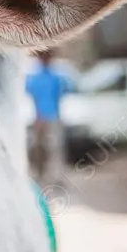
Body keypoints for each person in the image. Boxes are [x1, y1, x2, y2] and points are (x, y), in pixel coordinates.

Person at [25, 52, 72, 185]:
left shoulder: (56, 77)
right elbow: (34, 97)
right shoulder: (36, 77)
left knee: (54, 148)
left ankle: (57, 177)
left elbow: (60, 95)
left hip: (52, 117)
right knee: (38, 148)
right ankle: (40, 175)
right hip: (41, 117)